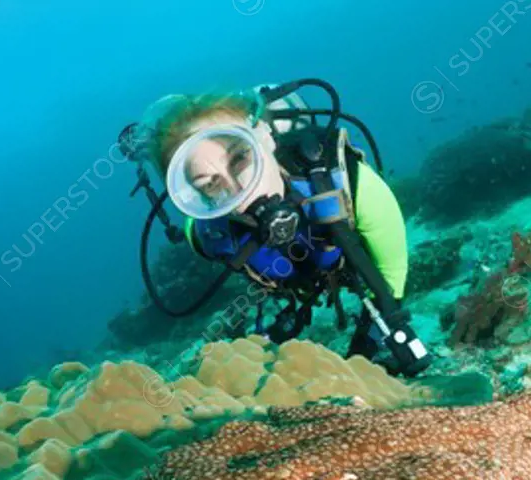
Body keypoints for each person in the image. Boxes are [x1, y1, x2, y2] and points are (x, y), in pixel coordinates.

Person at [124, 79, 432, 377]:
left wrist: (372, 339)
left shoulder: (353, 184)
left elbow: (392, 268)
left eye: (240, 157)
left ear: (265, 138)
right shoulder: (206, 235)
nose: (238, 191)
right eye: (209, 183)